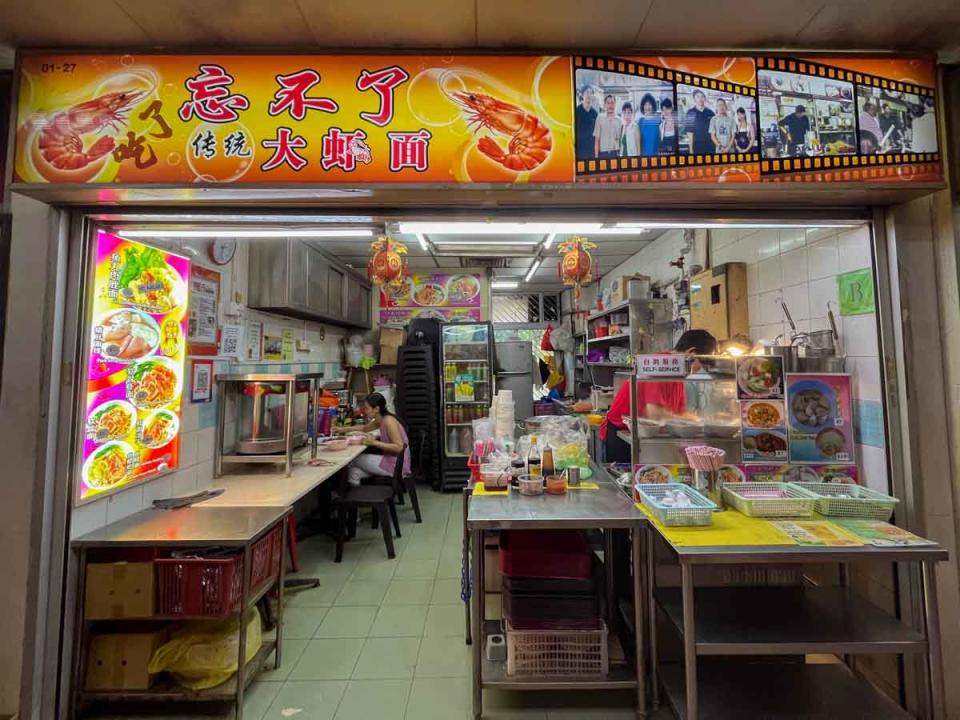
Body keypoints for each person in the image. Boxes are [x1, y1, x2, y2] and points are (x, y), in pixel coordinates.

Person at [600, 330, 718, 463]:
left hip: (644, 436)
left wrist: (704, 421)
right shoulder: (660, 366)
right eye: (702, 364)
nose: (699, 371)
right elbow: (655, 413)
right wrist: (697, 421)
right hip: (621, 436)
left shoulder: (678, 376)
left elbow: (679, 413)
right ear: (692, 353)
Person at [334, 392, 411, 486]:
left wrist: (374, 442)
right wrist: (342, 429)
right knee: (354, 472)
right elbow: (365, 428)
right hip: (391, 460)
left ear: (376, 409)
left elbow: (399, 447)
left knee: (353, 460)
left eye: (367, 408)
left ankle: (342, 492)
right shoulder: (381, 419)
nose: (364, 411)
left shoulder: (389, 421)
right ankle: (355, 498)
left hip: (397, 465)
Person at [684, 90, 715, 155]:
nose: (700, 98)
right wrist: (691, 149)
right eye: (698, 96)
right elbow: (690, 132)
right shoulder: (690, 113)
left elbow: (714, 131)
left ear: (705, 98)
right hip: (697, 146)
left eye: (702, 96)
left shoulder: (711, 113)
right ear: (694, 98)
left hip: (710, 146)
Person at [594, 93, 622, 159]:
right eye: (608, 103)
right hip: (603, 154)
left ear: (615, 104)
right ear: (605, 105)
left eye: (612, 103)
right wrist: (596, 157)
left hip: (616, 153)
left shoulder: (619, 120)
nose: (610, 105)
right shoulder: (599, 118)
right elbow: (596, 140)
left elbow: (621, 140)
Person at [575, 86, 598, 159]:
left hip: (591, 150)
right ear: (582, 95)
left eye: (591, 93)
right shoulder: (576, 111)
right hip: (579, 150)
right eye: (587, 92)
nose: (589, 95)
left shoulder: (595, 113)